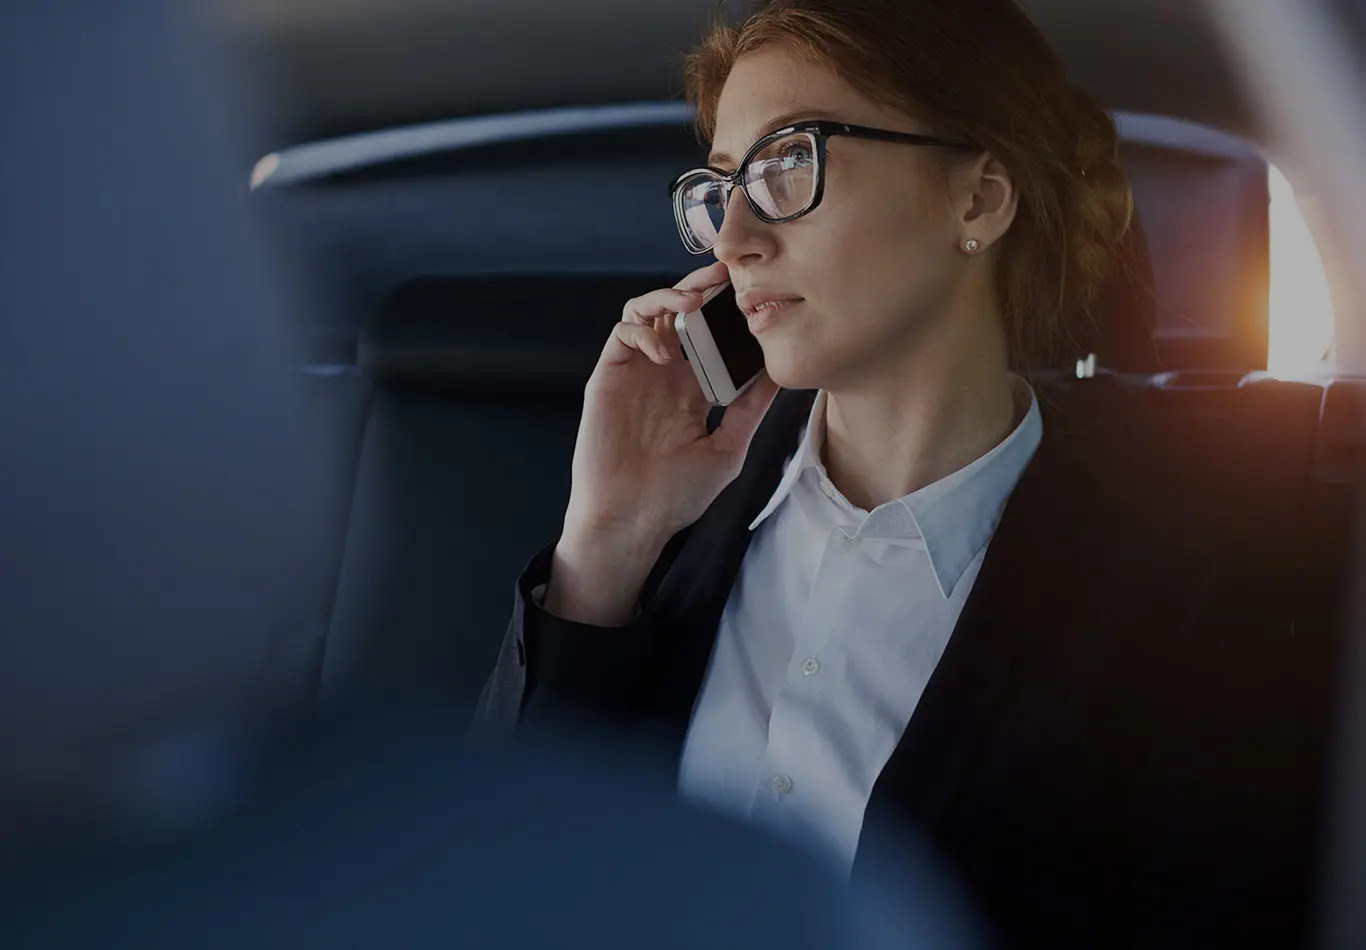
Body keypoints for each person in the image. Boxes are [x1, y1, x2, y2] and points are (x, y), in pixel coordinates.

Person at [476, 0, 1319, 945]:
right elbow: (495, 876)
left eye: (790, 163)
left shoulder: (1187, 595)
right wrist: (606, 539)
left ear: (978, 200)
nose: (733, 237)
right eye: (721, 189)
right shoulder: (669, 529)